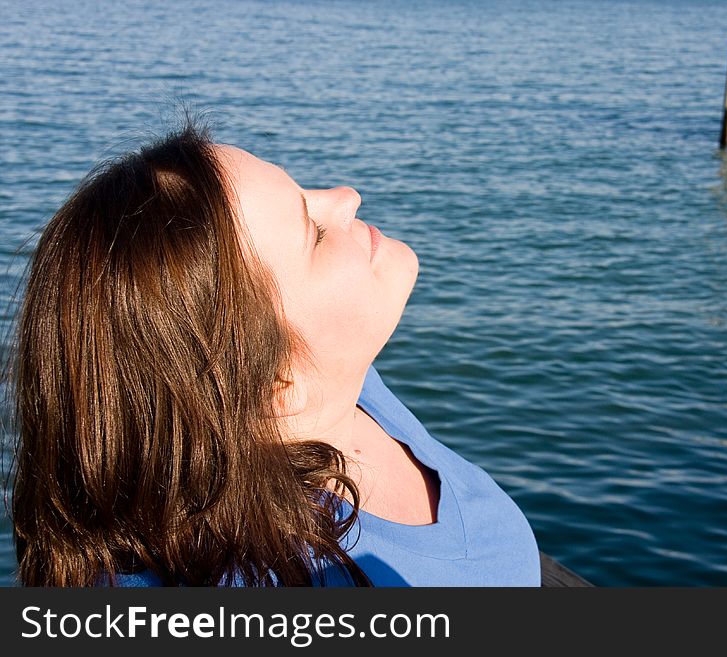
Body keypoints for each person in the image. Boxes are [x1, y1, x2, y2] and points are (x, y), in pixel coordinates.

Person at [10, 121, 541, 586]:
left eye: (304, 191)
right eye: (313, 233)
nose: (348, 195)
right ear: (275, 387)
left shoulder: (339, 388)